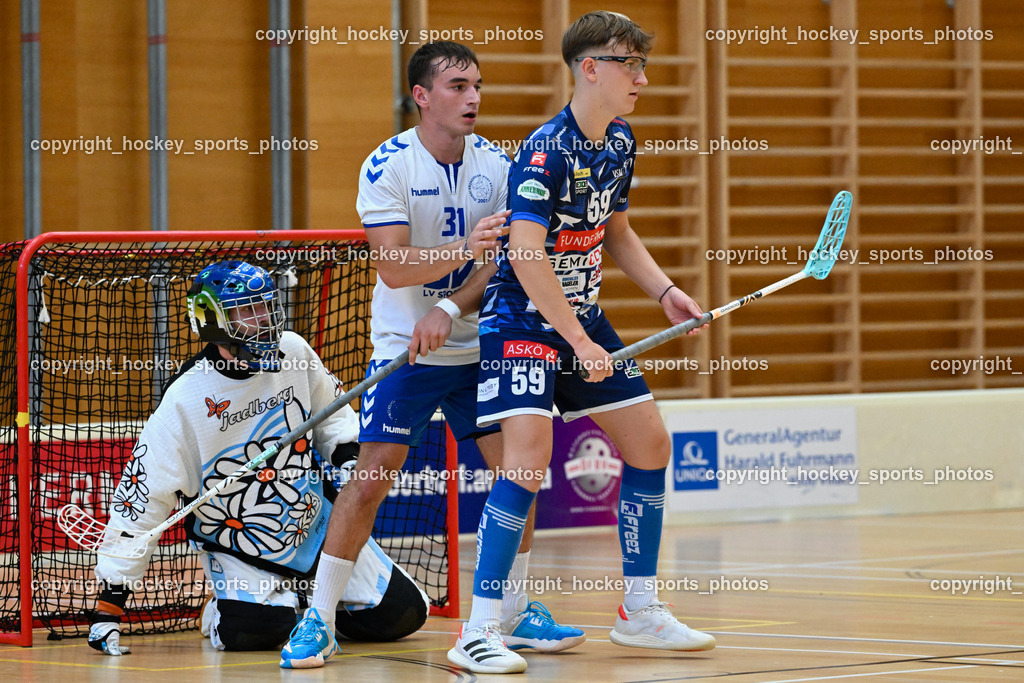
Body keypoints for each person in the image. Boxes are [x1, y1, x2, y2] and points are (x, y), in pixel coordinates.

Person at [279, 41, 583, 669]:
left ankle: (514, 612)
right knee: (369, 483)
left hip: (484, 347)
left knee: (517, 477)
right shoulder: (386, 165)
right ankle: (320, 617)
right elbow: (392, 268)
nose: (473, 97)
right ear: (422, 96)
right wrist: (460, 254)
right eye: (456, 86)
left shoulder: (500, 166)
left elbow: (501, 263)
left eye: (477, 85)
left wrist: (451, 307)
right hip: (406, 352)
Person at [447, 11, 717, 674]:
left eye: (643, 66)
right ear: (590, 67)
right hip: (523, 321)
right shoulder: (545, 150)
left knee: (651, 442)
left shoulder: (619, 141)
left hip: (581, 318)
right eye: (631, 65)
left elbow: (616, 231)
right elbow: (527, 253)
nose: (643, 80)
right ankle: (478, 629)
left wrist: (664, 292)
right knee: (529, 460)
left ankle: (640, 611)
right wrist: (574, 337)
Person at [87, 260, 428, 660]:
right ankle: (222, 609)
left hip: (317, 531)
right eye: (246, 311)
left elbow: (332, 416)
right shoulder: (183, 400)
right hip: (241, 548)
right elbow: (142, 502)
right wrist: (109, 608)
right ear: (212, 320)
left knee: (402, 616)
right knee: (253, 635)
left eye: (265, 306)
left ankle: (304, 605)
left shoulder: (294, 351)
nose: (263, 319)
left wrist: (349, 458)